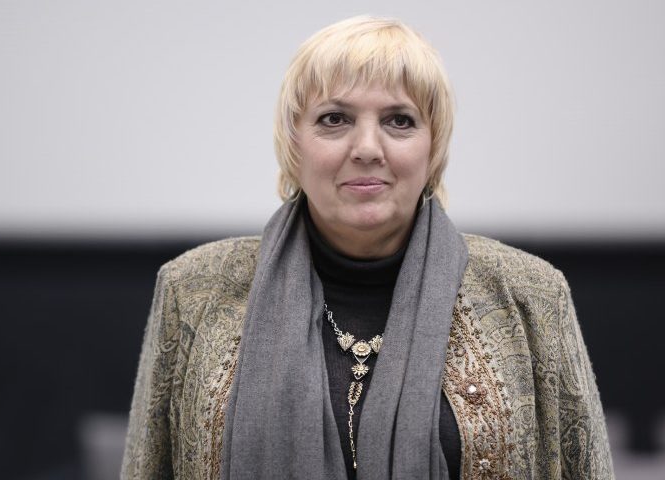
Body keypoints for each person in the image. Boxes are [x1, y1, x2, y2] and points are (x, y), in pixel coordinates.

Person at [121, 15, 614, 480]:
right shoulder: (194, 290)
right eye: (334, 119)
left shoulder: (529, 294)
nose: (367, 148)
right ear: (293, 144)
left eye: (399, 121)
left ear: (433, 147)